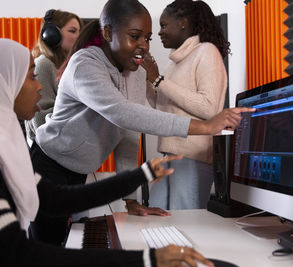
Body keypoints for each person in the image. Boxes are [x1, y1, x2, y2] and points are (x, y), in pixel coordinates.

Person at [0, 38, 215, 267]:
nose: (39, 86)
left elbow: (55, 197)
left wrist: (142, 174)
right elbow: (13, 252)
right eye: (29, 77)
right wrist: (144, 259)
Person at [32, 0, 253, 246]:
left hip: (78, 171)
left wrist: (130, 199)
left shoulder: (136, 73)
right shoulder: (85, 64)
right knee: (46, 247)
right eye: (135, 36)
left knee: (67, 243)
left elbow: (127, 134)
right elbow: (122, 113)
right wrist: (204, 126)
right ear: (107, 33)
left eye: (147, 39)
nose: (143, 47)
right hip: (49, 164)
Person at [142, 0, 231, 210]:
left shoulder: (206, 51)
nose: (160, 32)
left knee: (186, 224)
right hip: (169, 153)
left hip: (194, 157)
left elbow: (210, 108)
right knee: (156, 217)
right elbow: (161, 104)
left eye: (164, 25)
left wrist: (159, 81)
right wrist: (147, 78)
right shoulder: (173, 62)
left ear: (183, 22)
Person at [25, 9, 83, 141]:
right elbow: (40, 120)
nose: (79, 36)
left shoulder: (69, 66)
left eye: (80, 32)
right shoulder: (43, 64)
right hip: (47, 151)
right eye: (73, 31)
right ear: (52, 34)